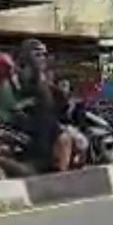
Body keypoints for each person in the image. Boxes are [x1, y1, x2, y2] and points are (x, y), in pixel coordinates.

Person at [15, 39, 73, 172]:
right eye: (37, 54)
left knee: (65, 139)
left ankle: (61, 172)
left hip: (48, 118)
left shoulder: (43, 75)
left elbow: (52, 94)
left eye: (44, 54)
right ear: (27, 56)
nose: (42, 58)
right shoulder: (24, 74)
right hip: (34, 121)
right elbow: (21, 99)